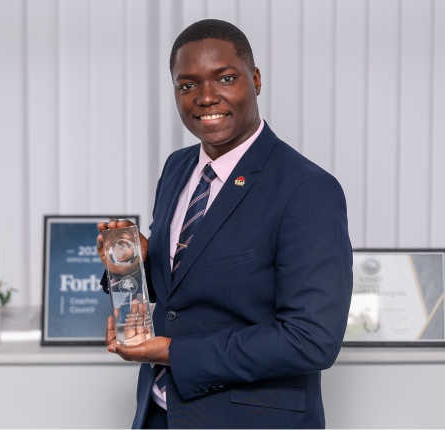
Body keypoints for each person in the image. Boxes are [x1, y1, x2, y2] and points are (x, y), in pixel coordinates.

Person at [96, 19, 352, 430]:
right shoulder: (178, 168)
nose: (206, 97)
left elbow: (310, 340)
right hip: (159, 414)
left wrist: (171, 352)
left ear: (256, 79)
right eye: (187, 85)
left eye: (225, 78)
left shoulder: (308, 189)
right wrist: (137, 263)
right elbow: (186, 291)